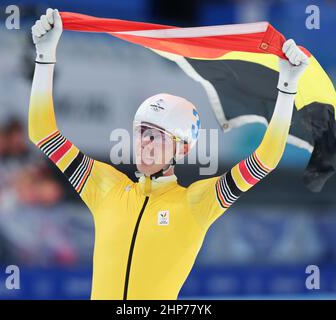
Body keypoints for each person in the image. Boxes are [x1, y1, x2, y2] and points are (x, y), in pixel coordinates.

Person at [29, 8, 309, 299]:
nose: (146, 144)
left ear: (183, 148)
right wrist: (45, 56)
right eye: (141, 132)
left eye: (158, 136)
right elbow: (43, 134)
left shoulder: (195, 202)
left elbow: (264, 161)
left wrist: (287, 87)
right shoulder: (104, 186)